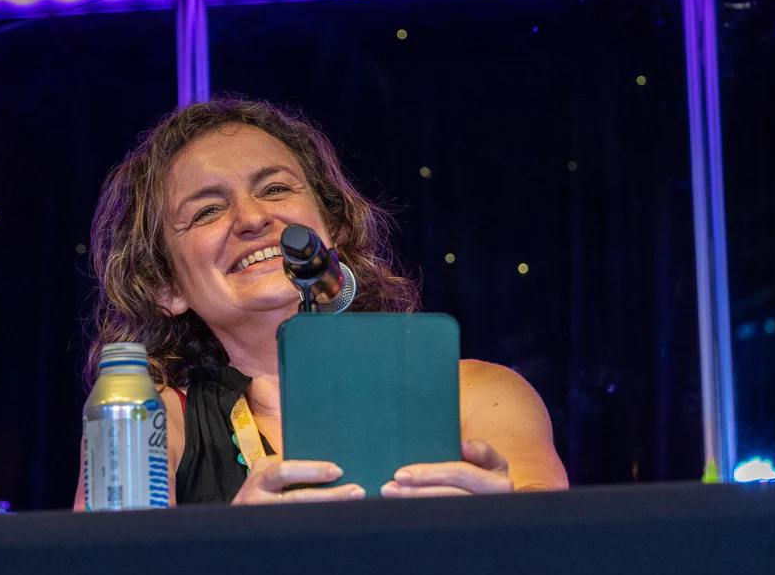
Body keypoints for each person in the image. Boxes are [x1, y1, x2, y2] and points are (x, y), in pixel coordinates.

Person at [75, 97, 567, 508]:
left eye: (275, 187)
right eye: (207, 210)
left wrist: (503, 525)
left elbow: (560, 563)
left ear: (335, 230)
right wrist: (231, 544)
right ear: (166, 287)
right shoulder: (146, 419)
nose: (251, 218)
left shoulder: (475, 394)